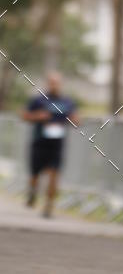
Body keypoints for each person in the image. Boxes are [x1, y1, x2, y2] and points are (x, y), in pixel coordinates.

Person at [21, 71, 79, 217]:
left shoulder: (67, 102)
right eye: (52, 82)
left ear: (61, 84)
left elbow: (76, 120)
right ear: (48, 84)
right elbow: (24, 116)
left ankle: (49, 206)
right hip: (39, 142)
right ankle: (32, 192)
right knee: (35, 175)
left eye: (57, 83)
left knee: (54, 174)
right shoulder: (39, 100)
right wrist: (38, 116)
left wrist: (74, 120)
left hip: (56, 145)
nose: (54, 85)